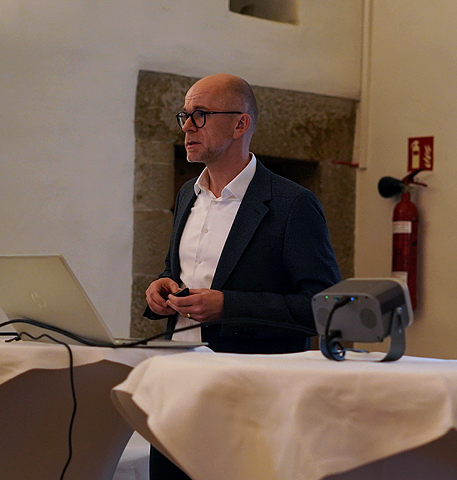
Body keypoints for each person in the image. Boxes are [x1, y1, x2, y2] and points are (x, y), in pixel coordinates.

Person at [143, 73, 341, 479]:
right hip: (177, 385)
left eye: (200, 114)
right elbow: (178, 270)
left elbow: (324, 308)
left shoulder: (293, 204)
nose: (186, 126)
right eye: (184, 115)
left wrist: (228, 307)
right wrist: (161, 286)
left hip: (249, 397)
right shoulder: (187, 194)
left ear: (239, 124)